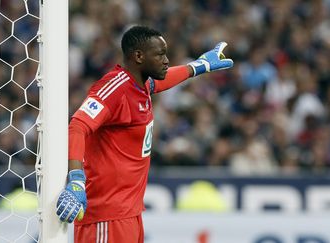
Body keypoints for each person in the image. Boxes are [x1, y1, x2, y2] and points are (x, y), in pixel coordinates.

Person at [55, 25, 233, 243]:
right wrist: (76, 179)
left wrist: (199, 66)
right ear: (138, 56)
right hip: (106, 216)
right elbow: (77, 126)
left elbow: (161, 81)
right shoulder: (114, 88)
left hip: (130, 214)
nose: (166, 60)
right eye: (160, 54)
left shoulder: (141, 85)